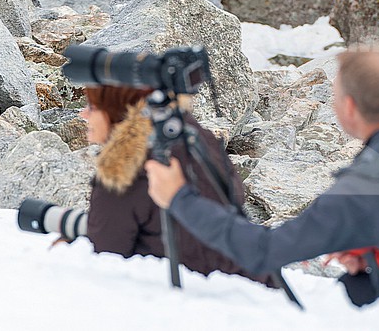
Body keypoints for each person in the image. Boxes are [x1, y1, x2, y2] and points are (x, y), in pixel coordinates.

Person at [146, 46, 379, 306]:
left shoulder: (366, 181)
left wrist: (180, 198)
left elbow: (264, 251)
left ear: (348, 107)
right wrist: (375, 252)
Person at [80, 85, 271, 283]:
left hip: (202, 299)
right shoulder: (194, 135)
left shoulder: (122, 170)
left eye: (92, 108)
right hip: (253, 278)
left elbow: (106, 255)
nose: (83, 114)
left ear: (115, 112)